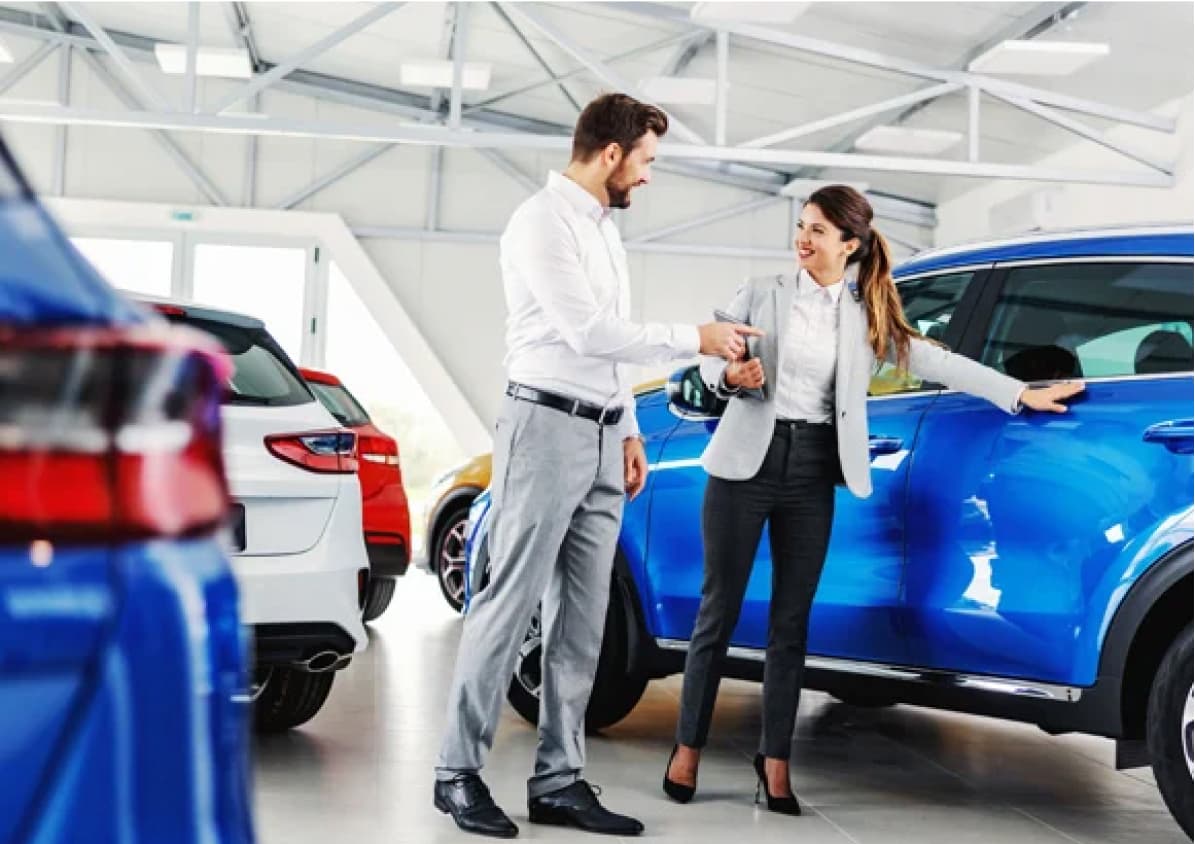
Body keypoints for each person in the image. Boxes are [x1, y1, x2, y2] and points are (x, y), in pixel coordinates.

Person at [662, 184, 1084, 816]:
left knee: (790, 624)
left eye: (819, 231)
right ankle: (687, 748)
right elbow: (708, 362)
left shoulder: (864, 314)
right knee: (717, 612)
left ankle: (774, 761)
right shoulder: (761, 292)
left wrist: (1018, 393)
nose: (803, 239)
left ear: (850, 245)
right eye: (801, 226)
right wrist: (731, 375)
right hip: (743, 465)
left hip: (811, 471)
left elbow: (936, 361)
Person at [433, 92, 762, 840]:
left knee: (583, 619)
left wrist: (625, 428)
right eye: (644, 160)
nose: (647, 176)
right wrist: (698, 339)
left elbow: (610, 348)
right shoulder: (538, 222)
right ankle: (456, 773)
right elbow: (585, 330)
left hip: (600, 433)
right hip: (542, 426)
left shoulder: (604, 232)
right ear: (610, 153)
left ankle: (558, 780)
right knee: (509, 600)